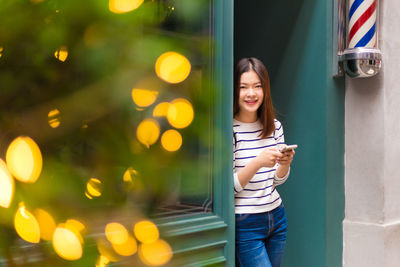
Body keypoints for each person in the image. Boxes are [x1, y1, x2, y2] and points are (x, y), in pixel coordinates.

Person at [233, 57, 295, 267]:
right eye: (243, 87)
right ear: (235, 91)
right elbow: (227, 189)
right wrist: (258, 162)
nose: (251, 93)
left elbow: (276, 181)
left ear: (264, 90)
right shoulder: (229, 130)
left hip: (276, 217)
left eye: (257, 87)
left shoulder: (274, 126)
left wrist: (285, 164)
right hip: (245, 222)